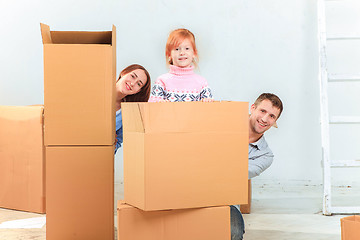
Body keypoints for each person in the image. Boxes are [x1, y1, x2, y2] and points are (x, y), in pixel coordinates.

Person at [231, 93, 284, 240]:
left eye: (272, 116)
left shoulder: (265, 155)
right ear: (252, 108)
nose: (265, 119)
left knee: (234, 232)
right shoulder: (227, 124)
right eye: (262, 111)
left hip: (226, 199)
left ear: (275, 121)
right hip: (197, 185)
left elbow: (236, 174)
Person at [148, 28, 213, 102]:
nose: (182, 52)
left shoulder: (202, 83)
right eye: (177, 49)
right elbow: (151, 108)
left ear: (194, 53)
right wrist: (159, 104)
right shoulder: (162, 81)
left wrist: (207, 102)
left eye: (187, 48)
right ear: (169, 54)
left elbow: (210, 110)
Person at [114, 64, 151, 154]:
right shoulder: (99, 89)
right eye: (133, 76)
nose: (132, 83)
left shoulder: (126, 114)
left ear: (138, 91)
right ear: (124, 73)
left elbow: (118, 141)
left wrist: (111, 145)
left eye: (138, 84)